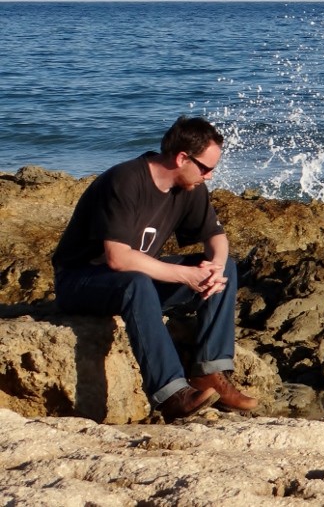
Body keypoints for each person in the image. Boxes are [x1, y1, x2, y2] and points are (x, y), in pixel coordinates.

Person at [52, 115, 258, 420]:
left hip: (132, 281)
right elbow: (118, 258)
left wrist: (213, 269)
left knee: (225, 266)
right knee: (136, 283)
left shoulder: (189, 187)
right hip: (80, 280)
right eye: (206, 168)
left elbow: (216, 237)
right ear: (181, 158)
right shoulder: (124, 181)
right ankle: (171, 394)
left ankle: (209, 372)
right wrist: (185, 275)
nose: (210, 176)